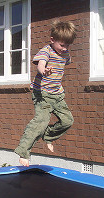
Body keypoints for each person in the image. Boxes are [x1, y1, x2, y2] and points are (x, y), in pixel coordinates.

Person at [14, 20, 77, 167]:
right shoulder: (46, 51)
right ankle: (24, 151)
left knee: (68, 121)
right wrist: (44, 70)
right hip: (42, 94)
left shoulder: (65, 54)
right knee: (40, 122)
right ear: (52, 40)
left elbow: (65, 62)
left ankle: (48, 136)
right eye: (62, 45)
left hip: (57, 94)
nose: (64, 48)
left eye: (68, 45)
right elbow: (41, 64)